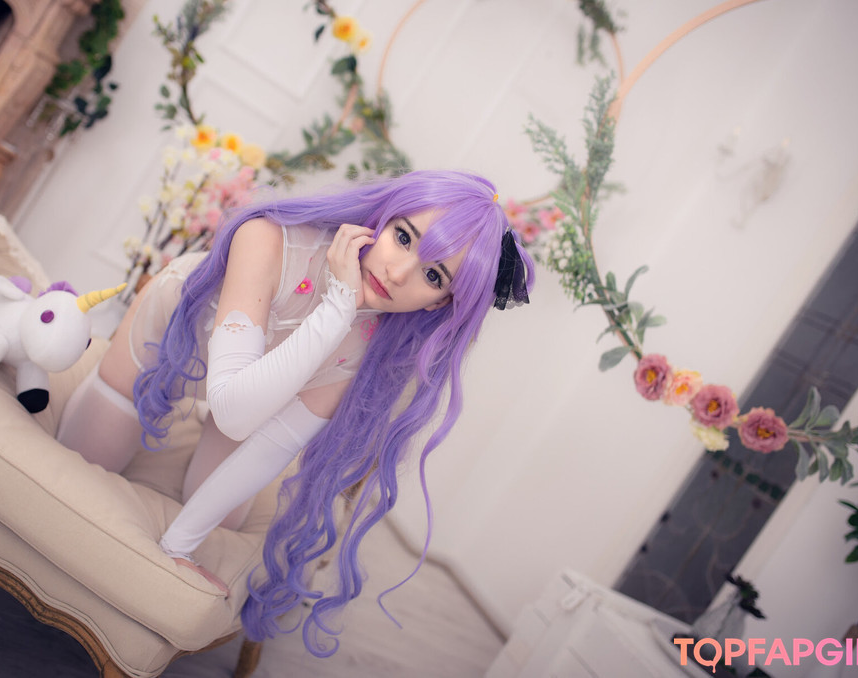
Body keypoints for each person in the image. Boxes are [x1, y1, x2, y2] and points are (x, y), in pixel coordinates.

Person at [55, 169, 534, 656]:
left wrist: (175, 547)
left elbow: (267, 444)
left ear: (439, 304)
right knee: (81, 464)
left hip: (250, 395)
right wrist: (337, 306)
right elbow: (232, 411)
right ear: (382, 216)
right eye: (403, 237)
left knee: (220, 523)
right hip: (164, 344)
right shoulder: (268, 238)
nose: (397, 273)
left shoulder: (373, 344)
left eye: (433, 276)